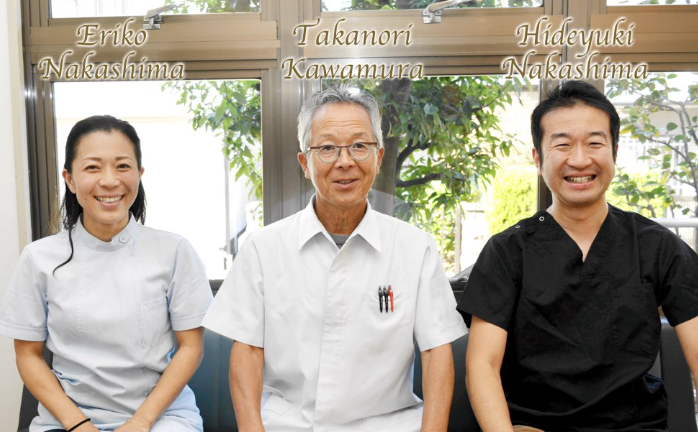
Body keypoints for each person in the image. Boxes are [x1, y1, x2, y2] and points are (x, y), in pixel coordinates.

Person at [202, 86, 467, 431]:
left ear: (378, 157)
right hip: (289, 424)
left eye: (359, 146)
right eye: (327, 148)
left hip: (388, 425)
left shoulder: (415, 248)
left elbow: (435, 352)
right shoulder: (263, 248)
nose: (345, 161)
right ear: (305, 163)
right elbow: (248, 352)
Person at [458, 80, 698, 432]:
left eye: (595, 143)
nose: (580, 159)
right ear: (538, 158)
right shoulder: (508, 251)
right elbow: (482, 365)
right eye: (562, 144)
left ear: (615, 151)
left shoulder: (657, 246)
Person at [0, 115, 213, 432]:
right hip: (66, 419)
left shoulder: (175, 251)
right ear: (70, 179)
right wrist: (78, 424)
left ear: (139, 175)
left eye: (123, 166)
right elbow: (28, 355)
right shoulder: (38, 258)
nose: (110, 180)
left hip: (161, 417)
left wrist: (140, 422)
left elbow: (191, 348)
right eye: (92, 167)